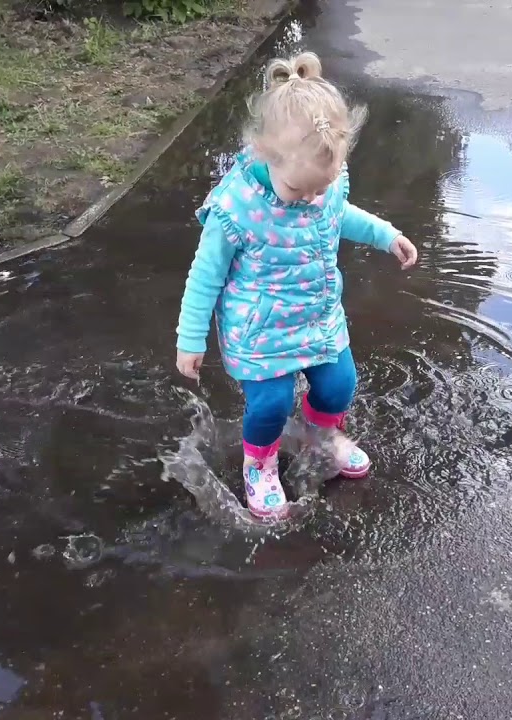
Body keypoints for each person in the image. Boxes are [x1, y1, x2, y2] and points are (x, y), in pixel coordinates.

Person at [174, 52, 419, 521]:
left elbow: (338, 214)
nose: (309, 200)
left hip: (318, 315)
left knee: (339, 384)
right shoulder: (236, 208)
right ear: (267, 155)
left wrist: (387, 235)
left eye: (318, 189)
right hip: (260, 329)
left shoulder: (320, 183)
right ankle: (259, 463)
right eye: (297, 191)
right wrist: (190, 338)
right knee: (270, 402)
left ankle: (321, 433)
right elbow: (205, 275)